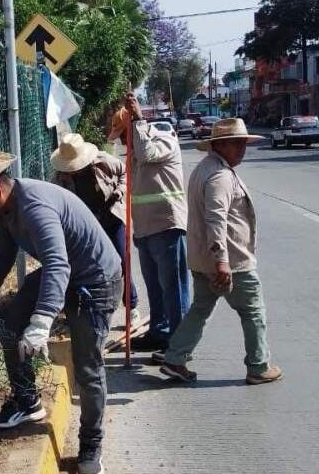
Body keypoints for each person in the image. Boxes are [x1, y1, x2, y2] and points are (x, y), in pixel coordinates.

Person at [0, 150, 122, 474]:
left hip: (96, 281)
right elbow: (4, 254)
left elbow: (58, 264)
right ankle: (27, 402)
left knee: (87, 367)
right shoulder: (7, 210)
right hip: (66, 274)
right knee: (8, 322)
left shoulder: (34, 208)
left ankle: (91, 447)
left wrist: (42, 320)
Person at [160, 118, 283, 385]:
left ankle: (175, 358)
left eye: (243, 144)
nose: (242, 150)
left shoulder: (208, 168)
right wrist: (222, 262)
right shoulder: (219, 176)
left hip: (205, 259)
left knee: (201, 307)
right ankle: (258, 366)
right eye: (236, 144)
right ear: (220, 145)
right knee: (253, 311)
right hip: (231, 261)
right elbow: (217, 221)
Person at [124, 93, 190, 358]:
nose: (121, 142)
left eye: (123, 134)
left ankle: (179, 345)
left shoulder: (164, 140)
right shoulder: (134, 149)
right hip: (145, 228)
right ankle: (160, 333)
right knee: (155, 287)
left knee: (173, 288)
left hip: (166, 225)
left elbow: (147, 152)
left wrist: (137, 119)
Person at [50, 133, 140, 324]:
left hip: (111, 218)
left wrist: (120, 191)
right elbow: (54, 199)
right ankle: (87, 310)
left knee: (122, 261)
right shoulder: (59, 178)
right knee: (85, 267)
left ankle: (131, 305)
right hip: (85, 228)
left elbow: (125, 172)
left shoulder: (102, 161)